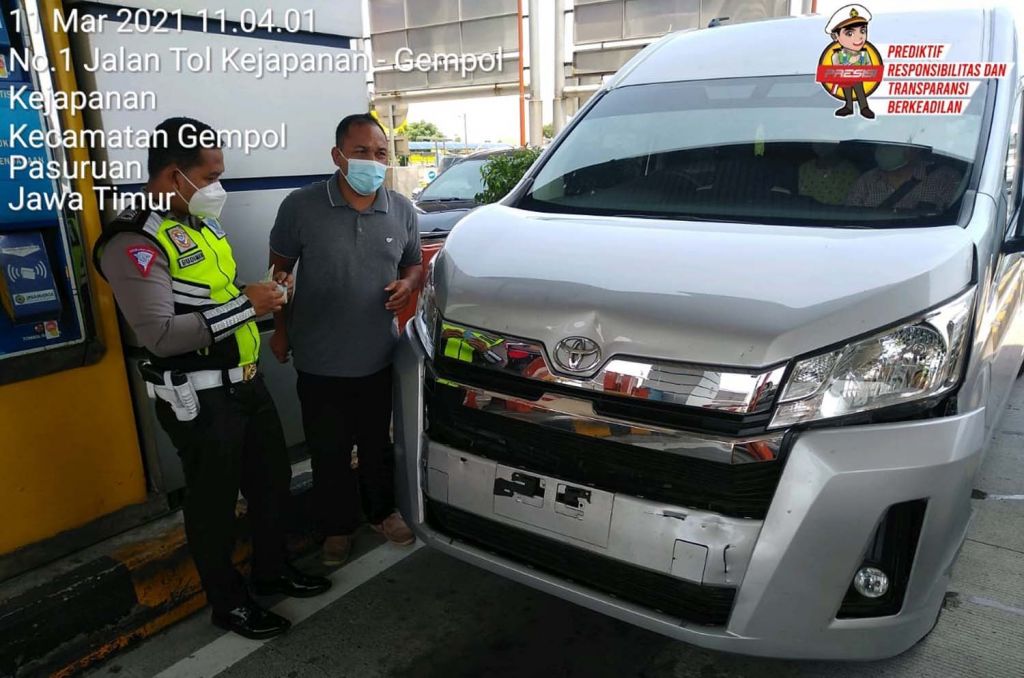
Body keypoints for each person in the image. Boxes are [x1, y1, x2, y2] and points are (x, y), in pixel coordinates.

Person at [93, 117, 331, 640]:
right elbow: (158, 333)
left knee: (271, 487)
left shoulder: (199, 222)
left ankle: (272, 571)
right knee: (213, 509)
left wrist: (266, 291)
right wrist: (247, 305)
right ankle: (229, 603)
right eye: (213, 174)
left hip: (247, 384)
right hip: (200, 401)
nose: (219, 186)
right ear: (175, 175)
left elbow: (216, 297)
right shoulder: (133, 239)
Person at [269, 113, 423, 566]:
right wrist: (280, 332)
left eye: (381, 153)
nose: (372, 161)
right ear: (338, 156)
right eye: (361, 152)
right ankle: (336, 527)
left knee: (377, 444)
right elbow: (278, 274)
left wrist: (408, 286)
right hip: (318, 358)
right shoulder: (300, 206)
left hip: (378, 354)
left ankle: (381, 512)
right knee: (328, 452)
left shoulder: (401, 209)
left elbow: (413, 264)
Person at [845, 146, 963, 211]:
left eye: (896, 141)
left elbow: (950, 222)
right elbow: (849, 220)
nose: (887, 147)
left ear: (915, 148)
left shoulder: (944, 179)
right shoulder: (867, 181)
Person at [826, 5, 876, 119]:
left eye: (862, 31)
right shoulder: (837, 55)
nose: (859, 37)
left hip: (858, 79)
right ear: (836, 37)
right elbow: (836, 71)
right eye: (850, 34)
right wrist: (849, 63)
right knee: (846, 89)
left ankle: (864, 107)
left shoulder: (864, 54)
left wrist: (863, 69)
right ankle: (849, 106)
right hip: (845, 80)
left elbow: (871, 69)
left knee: (859, 89)